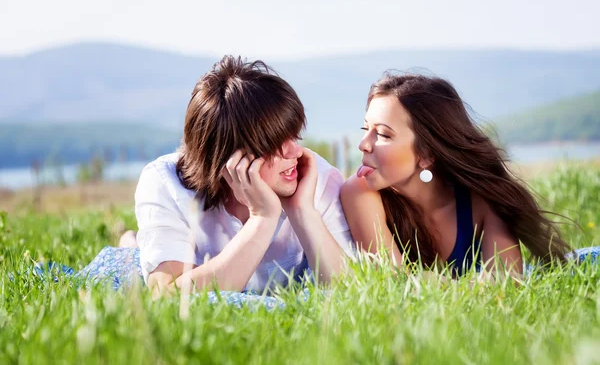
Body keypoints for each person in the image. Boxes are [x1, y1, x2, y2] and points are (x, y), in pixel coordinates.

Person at [133, 56, 355, 297]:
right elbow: (168, 298)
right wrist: (263, 219)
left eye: (294, 135)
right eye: (274, 144)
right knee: (131, 263)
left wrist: (303, 211)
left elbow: (352, 293)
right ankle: (130, 243)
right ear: (228, 156)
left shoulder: (315, 176)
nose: (295, 151)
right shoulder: (164, 182)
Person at [340, 73, 571, 277]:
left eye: (382, 134)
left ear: (427, 154)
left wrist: (436, 283)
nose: (363, 144)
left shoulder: (480, 199)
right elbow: (393, 280)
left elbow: (508, 283)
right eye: (365, 129)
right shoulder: (360, 192)